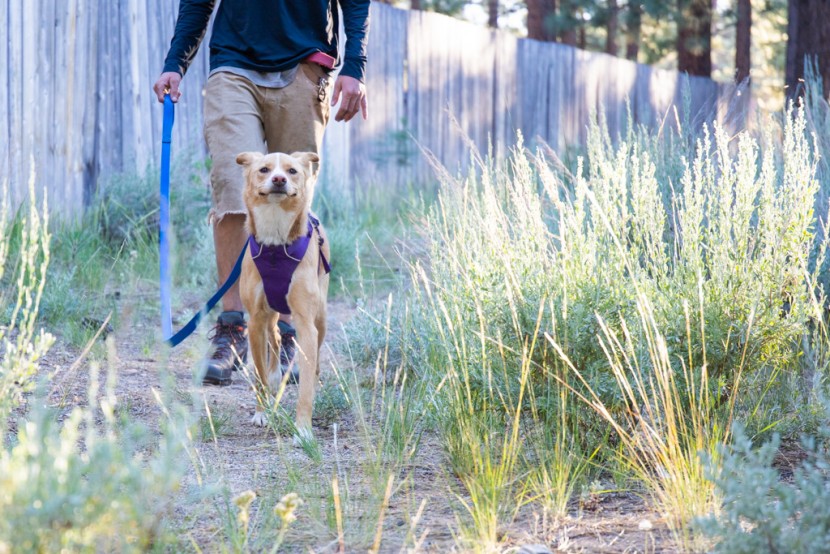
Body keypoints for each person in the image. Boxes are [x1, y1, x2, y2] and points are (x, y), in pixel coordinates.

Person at [153, 0, 370, 386]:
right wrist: (175, 62)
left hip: (305, 63)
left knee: (292, 200)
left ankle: (286, 333)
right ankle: (233, 328)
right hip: (233, 63)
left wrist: (355, 64)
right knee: (233, 192)